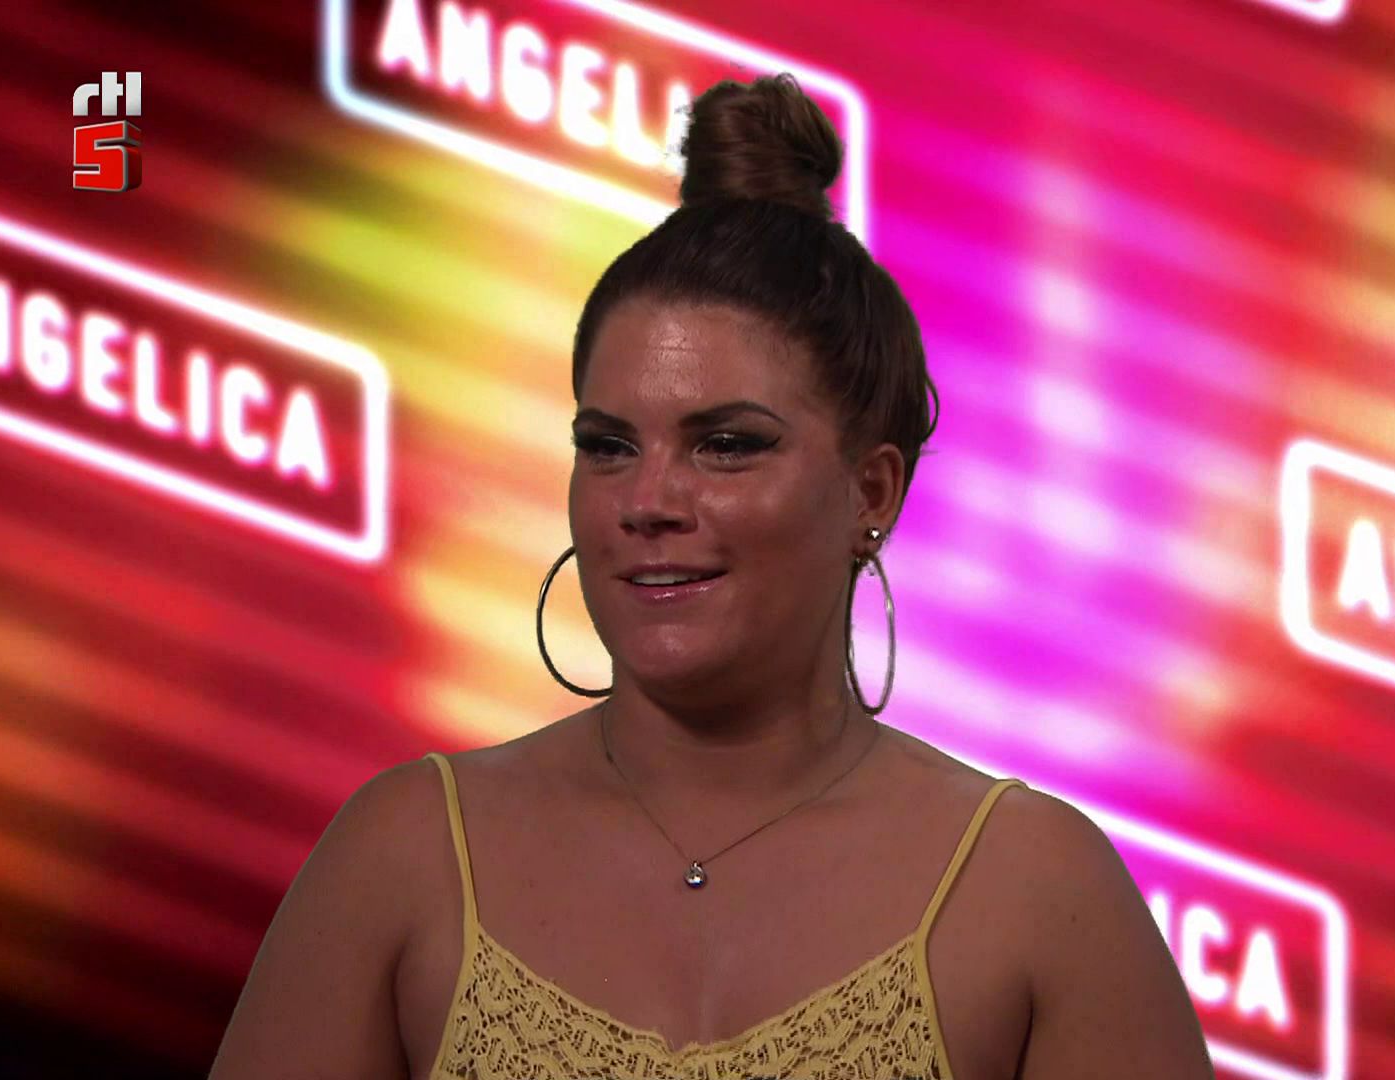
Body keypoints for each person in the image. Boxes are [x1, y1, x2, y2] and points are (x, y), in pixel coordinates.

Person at [208, 72, 1213, 1080]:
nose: (647, 499)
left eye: (726, 445)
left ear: (871, 490)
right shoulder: (407, 855)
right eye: (608, 446)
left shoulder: (1034, 890)